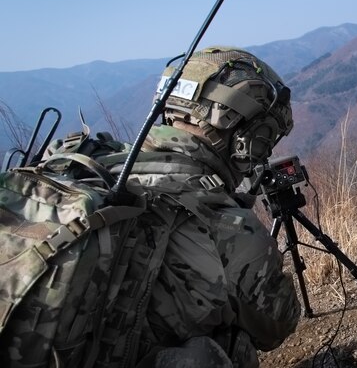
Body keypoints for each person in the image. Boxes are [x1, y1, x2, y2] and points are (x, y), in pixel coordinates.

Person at [45, 46, 301, 368]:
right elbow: (277, 325)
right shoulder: (227, 226)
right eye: (267, 138)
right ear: (248, 138)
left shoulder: (91, 162)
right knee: (231, 346)